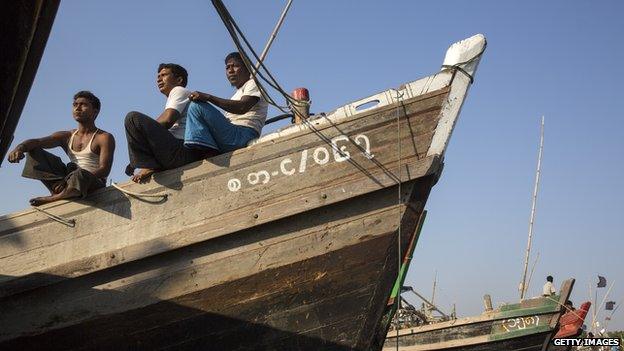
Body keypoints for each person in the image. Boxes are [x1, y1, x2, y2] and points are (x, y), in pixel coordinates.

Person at [6, 91, 115, 205]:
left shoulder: (104, 137)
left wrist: (72, 179)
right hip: (69, 178)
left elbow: (104, 170)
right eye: (75, 104)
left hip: (91, 182)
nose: (77, 108)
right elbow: (38, 142)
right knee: (33, 150)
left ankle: (54, 198)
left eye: (83, 104)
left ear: (95, 111)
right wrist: (20, 148)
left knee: (80, 174)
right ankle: (62, 191)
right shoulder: (67, 136)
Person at [124, 63, 213, 183]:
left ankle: (149, 165)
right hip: (178, 151)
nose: (159, 79)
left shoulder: (179, 90)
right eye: (158, 76)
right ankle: (151, 164)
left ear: (179, 80)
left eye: (164, 75)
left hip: (184, 151)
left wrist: (141, 146)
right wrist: (137, 155)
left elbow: (167, 120)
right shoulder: (173, 98)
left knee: (132, 118)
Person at [183, 52, 267, 153]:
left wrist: (208, 97)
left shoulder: (253, 83)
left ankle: (199, 150)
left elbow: (242, 107)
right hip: (232, 133)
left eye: (236, 66)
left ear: (247, 68)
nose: (231, 71)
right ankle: (201, 147)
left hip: (242, 134)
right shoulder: (236, 94)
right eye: (227, 67)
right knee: (194, 109)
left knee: (197, 106)